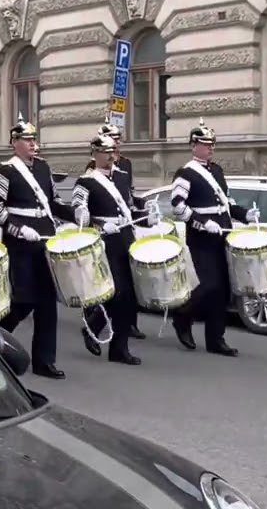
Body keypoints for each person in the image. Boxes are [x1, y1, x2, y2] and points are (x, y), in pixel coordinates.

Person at [0, 114, 75, 380]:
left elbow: (53, 202)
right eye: (27, 139)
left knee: (48, 303)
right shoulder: (6, 171)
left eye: (34, 139)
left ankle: (44, 361)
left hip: (45, 241)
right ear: (15, 142)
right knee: (23, 301)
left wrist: (77, 214)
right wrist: (16, 228)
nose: (32, 144)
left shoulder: (43, 168)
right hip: (21, 243)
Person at [169, 118, 258, 357]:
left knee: (223, 289)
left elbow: (225, 203)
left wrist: (244, 214)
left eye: (212, 145)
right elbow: (177, 206)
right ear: (194, 145)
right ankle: (182, 315)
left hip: (222, 234)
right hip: (200, 237)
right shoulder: (186, 172)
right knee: (206, 286)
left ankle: (216, 339)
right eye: (206, 144)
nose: (210, 148)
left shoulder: (216, 170)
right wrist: (202, 222)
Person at [72, 133, 155, 365]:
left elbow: (129, 210)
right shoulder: (85, 182)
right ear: (95, 154)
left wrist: (148, 217)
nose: (111, 156)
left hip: (127, 239)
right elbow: (79, 213)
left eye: (113, 152)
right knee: (116, 293)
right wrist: (98, 224)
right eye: (106, 152)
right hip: (105, 242)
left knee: (129, 297)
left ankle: (119, 348)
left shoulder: (122, 177)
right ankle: (95, 329)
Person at [96, 121, 146, 340]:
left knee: (129, 282)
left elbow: (128, 194)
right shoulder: (93, 169)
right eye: (113, 139)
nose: (117, 143)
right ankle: (95, 321)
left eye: (118, 139)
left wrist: (141, 210)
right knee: (112, 286)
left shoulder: (126, 164)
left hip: (125, 229)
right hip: (106, 233)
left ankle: (128, 324)